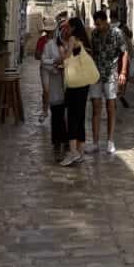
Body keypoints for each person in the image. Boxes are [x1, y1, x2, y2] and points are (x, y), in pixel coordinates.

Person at [88, 10, 128, 155]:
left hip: (111, 74)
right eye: (96, 24)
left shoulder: (117, 33)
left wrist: (123, 72)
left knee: (111, 107)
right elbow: (93, 53)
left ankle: (110, 141)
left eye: (99, 24)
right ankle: (95, 143)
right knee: (95, 107)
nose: (97, 27)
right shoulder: (94, 35)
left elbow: (124, 52)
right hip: (96, 75)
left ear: (106, 21)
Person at [60, 17, 93, 167]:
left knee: (71, 116)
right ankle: (81, 152)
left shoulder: (73, 39)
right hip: (84, 83)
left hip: (74, 83)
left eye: (68, 26)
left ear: (73, 27)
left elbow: (66, 59)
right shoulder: (85, 40)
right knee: (80, 116)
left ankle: (72, 152)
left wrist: (64, 50)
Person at [41, 21, 67, 160]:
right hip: (57, 85)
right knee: (57, 116)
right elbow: (44, 61)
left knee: (67, 117)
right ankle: (57, 143)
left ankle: (68, 143)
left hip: (70, 85)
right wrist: (55, 64)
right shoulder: (49, 45)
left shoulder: (71, 45)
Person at [36, 18, 56, 123]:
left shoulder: (58, 40)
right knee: (46, 91)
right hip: (45, 69)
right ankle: (45, 111)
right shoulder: (41, 40)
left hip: (57, 69)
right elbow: (37, 55)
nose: (49, 32)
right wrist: (44, 56)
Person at [118, 23, 133, 109]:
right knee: (124, 78)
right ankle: (122, 94)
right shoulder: (128, 39)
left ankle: (119, 92)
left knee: (118, 76)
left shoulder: (118, 38)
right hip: (125, 61)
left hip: (119, 60)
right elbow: (130, 51)